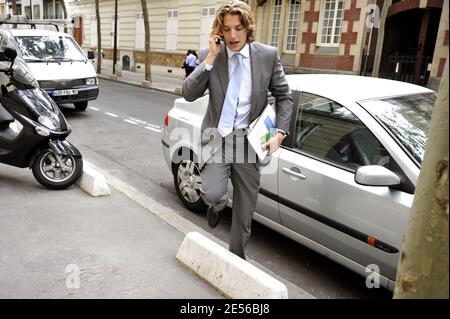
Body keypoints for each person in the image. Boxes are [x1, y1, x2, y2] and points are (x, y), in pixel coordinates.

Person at [182, 0, 292, 260]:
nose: (232, 36)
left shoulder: (267, 55)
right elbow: (188, 93)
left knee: (244, 210)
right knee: (212, 193)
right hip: (217, 138)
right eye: (227, 28)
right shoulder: (210, 54)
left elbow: (284, 96)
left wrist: (280, 132)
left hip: (249, 142)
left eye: (238, 28)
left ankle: (236, 257)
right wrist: (210, 58)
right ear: (219, 30)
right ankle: (216, 206)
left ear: (247, 28)